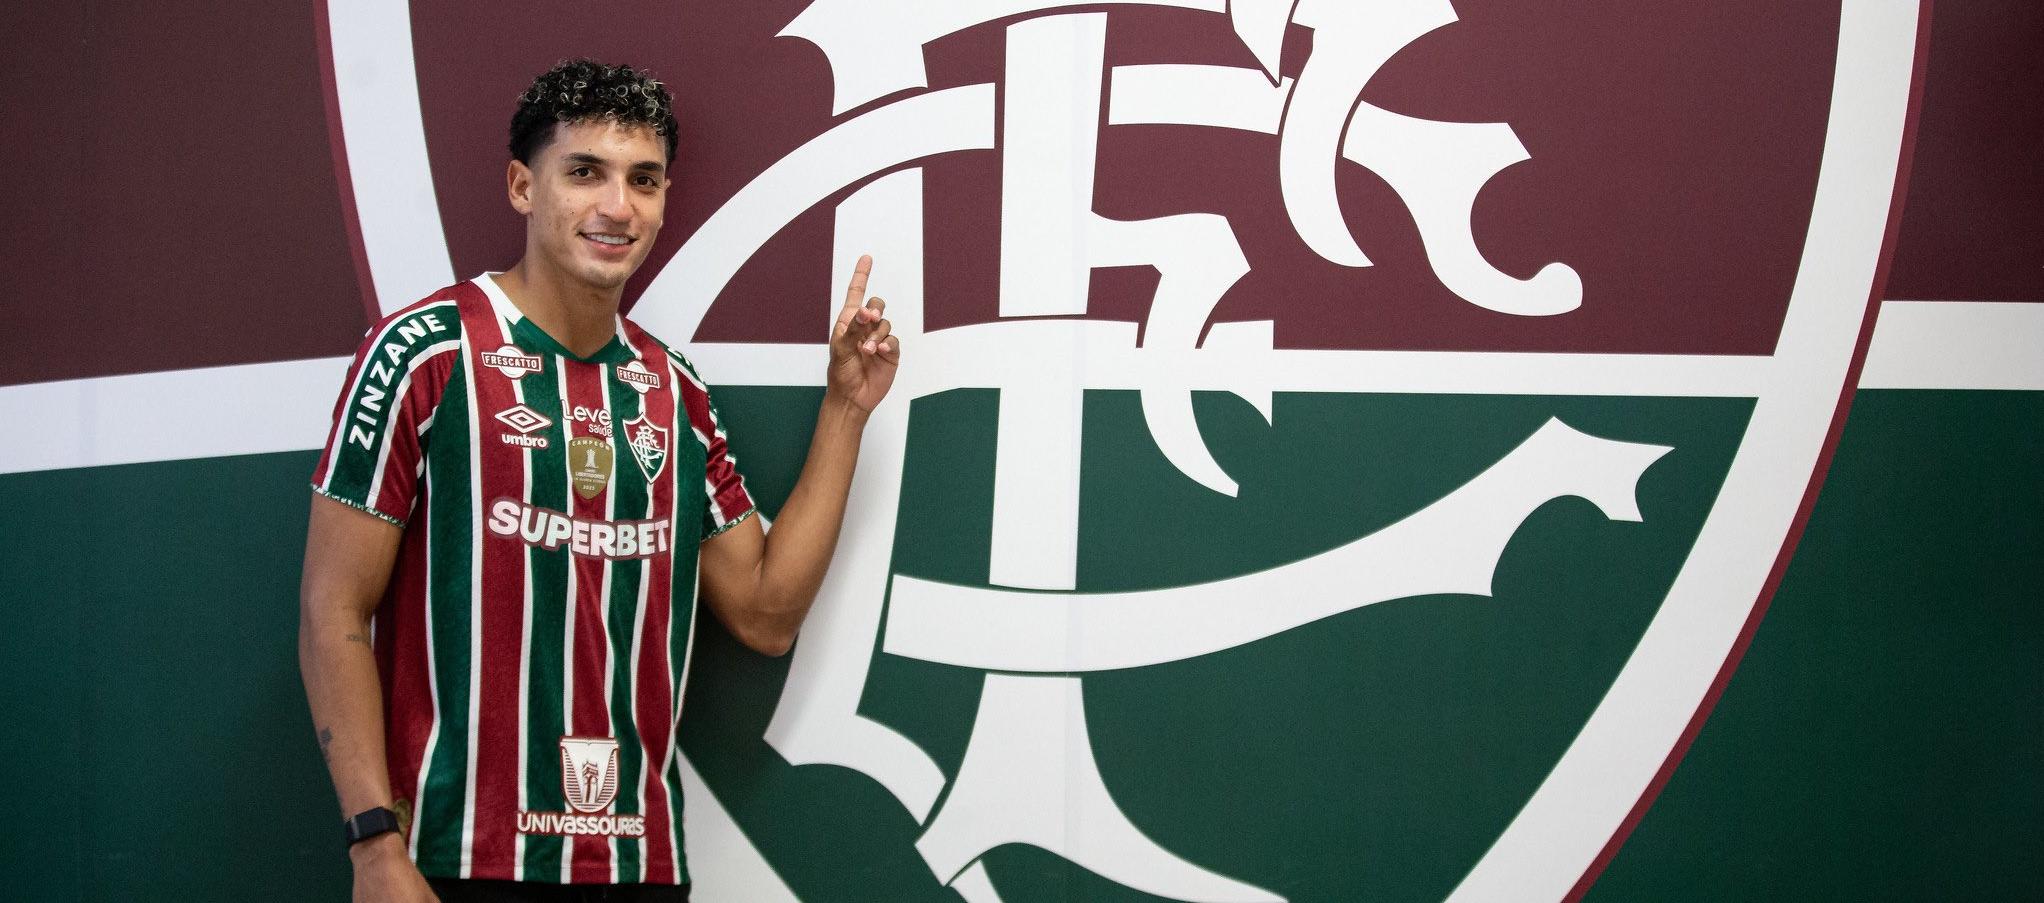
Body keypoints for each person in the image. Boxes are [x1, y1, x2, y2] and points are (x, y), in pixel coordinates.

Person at [298, 59, 898, 902]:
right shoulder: (423, 353)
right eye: (585, 172)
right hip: (451, 863)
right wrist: (373, 845)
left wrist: (845, 408)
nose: (618, 206)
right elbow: (333, 609)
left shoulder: (673, 392)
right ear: (521, 185)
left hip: (637, 864)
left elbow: (765, 612)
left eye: (643, 181)